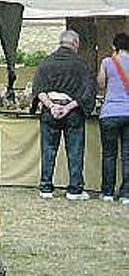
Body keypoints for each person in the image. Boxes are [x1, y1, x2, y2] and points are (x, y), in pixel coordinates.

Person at [30, 30, 96, 201]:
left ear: (60, 43)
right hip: (73, 112)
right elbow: (88, 92)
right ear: (75, 43)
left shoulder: (46, 62)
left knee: (48, 150)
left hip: (50, 110)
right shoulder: (81, 64)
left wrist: (52, 106)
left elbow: (38, 89)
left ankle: (46, 188)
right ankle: (74, 190)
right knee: (75, 151)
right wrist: (68, 107)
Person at [97, 32, 129, 204]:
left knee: (109, 155)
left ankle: (107, 192)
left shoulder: (107, 62)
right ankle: (126, 194)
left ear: (114, 47)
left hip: (110, 113)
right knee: (127, 155)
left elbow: (101, 84)